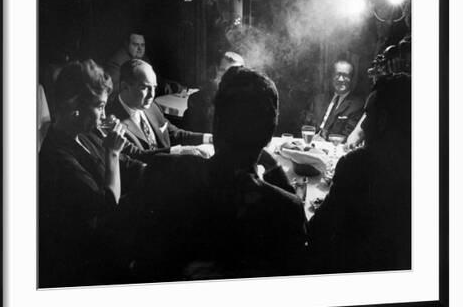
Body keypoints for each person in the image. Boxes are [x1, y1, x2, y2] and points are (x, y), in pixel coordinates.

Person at [130, 66, 307, 282]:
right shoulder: (286, 210)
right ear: (269, 136)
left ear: (216, 124)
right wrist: (275, 169)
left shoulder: (163, 171)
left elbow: (133, 255)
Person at [38, 60, 141, 288]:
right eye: (100, 106)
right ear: (74, 107)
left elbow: (127, 164)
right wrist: (112, 154)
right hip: (89, 264)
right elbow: (106, 206)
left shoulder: (86, 134)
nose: (105, 115)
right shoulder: (55, 157)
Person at [308, 74, 411, 274]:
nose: (363, 126)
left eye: (368, 116)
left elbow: (317, 231)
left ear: (382, 121)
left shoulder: (356, 164)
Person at [106, 59, 213, 157]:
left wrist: (209, 138)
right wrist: (182, 150)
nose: (152, 95)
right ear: (125, 87)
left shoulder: (152, 106)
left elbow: (174, 134)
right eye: (144, 88)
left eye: (154, 88)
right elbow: (138, 155)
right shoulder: (112, 120)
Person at [184, 51, 245, 133]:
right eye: (223, 70)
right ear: (216, 72)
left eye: (233, 72)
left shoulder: (246, 101)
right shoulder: (197, 100)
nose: (228, 76)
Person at [317, 59, 364, 141]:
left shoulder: (357, 105)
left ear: (351, 79)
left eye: (345, 76)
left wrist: (324, 140)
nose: (341, 79)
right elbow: (305, 125)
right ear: (332, 76)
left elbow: (348, 136)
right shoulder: (318, 99)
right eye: (337, 74)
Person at [105, 31, 149, 96]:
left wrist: (163, 84)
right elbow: (112, 87)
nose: (140, 49)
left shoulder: (143, 57)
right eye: (135, 45)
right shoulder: (117, 61)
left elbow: (151, 74)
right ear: (126, 44)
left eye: (142, 45)